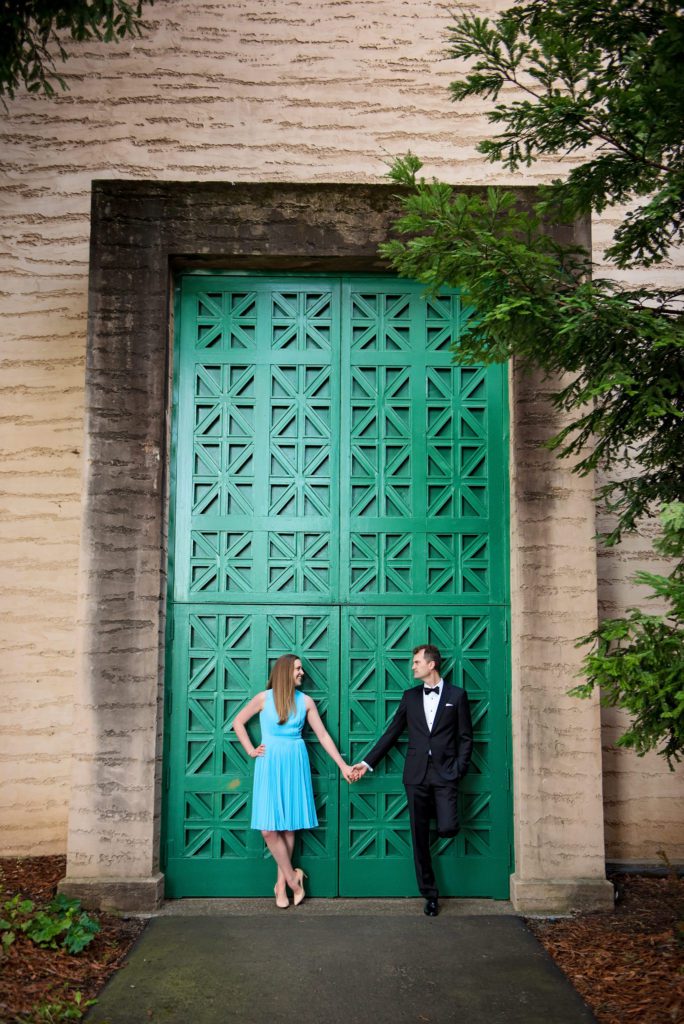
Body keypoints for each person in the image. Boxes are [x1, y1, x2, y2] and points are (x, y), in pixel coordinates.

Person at [351, 644, 473, 917]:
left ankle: (441, 819)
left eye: (417, 661)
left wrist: (459, 769)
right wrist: (366, 763)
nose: (413, 666)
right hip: (416, 775)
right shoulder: (410, 697)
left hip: (445, 773)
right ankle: (430, 895)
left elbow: (466, 737)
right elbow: (391, 734)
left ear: (432, 665)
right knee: (419, 837)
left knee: (448, 827)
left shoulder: (457, 695)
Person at [232, 653, 355, 908]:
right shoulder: (263, 699)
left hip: (295, 762)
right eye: (298, 668)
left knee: (288, 827)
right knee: (269, 829)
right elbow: (238, 722)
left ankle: (280, 889)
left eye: (302, 669)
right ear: (285, 671)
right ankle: (292, 879)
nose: (302, 673)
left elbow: (323, 736)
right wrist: (251, 749)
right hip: (270, 763)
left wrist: (343, 765)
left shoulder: (306, 702)